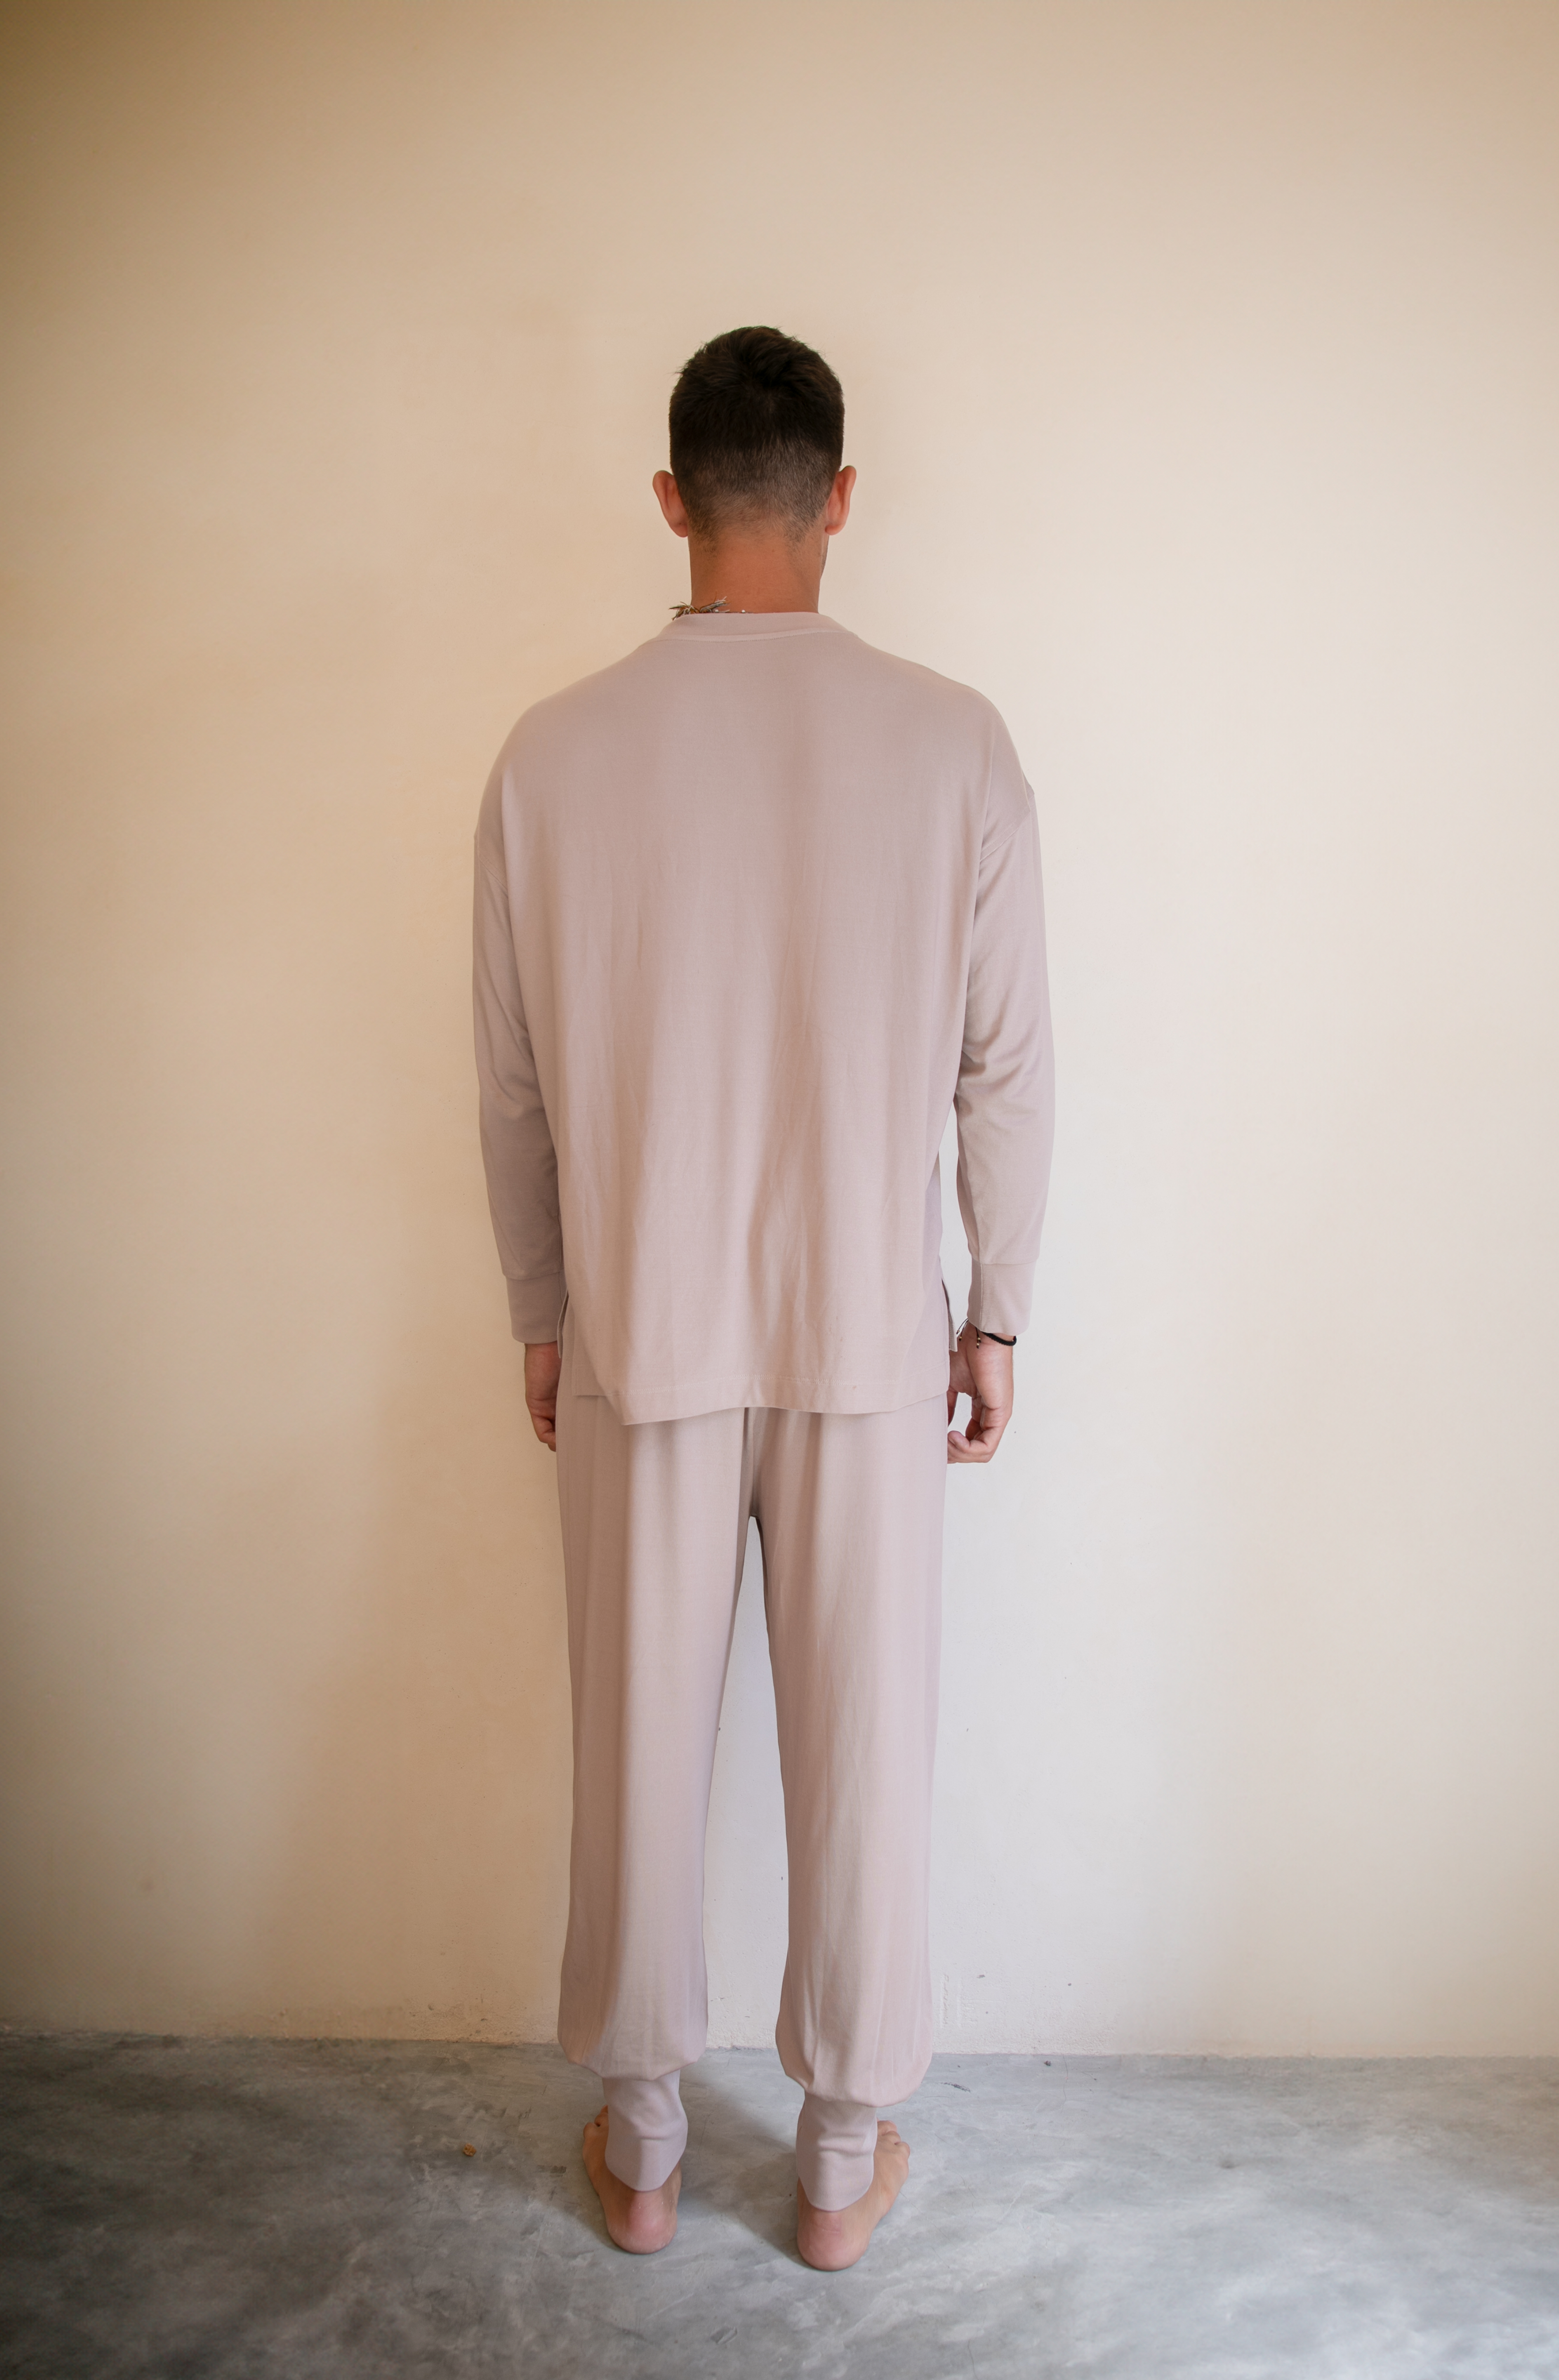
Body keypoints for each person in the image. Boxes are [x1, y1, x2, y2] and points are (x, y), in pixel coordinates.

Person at [473, 326, 1053, 2270]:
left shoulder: (553, 752)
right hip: (866, 1337)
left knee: (635, 1753)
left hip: (641, 1331)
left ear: (670, 499)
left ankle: (644, 2155)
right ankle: (834, 2170)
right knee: (867, 1757)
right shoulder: (955, 741)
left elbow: (513, 1083)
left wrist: (542, 1305)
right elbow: (1006, 1064)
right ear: (840, 498)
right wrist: (997, 1310)